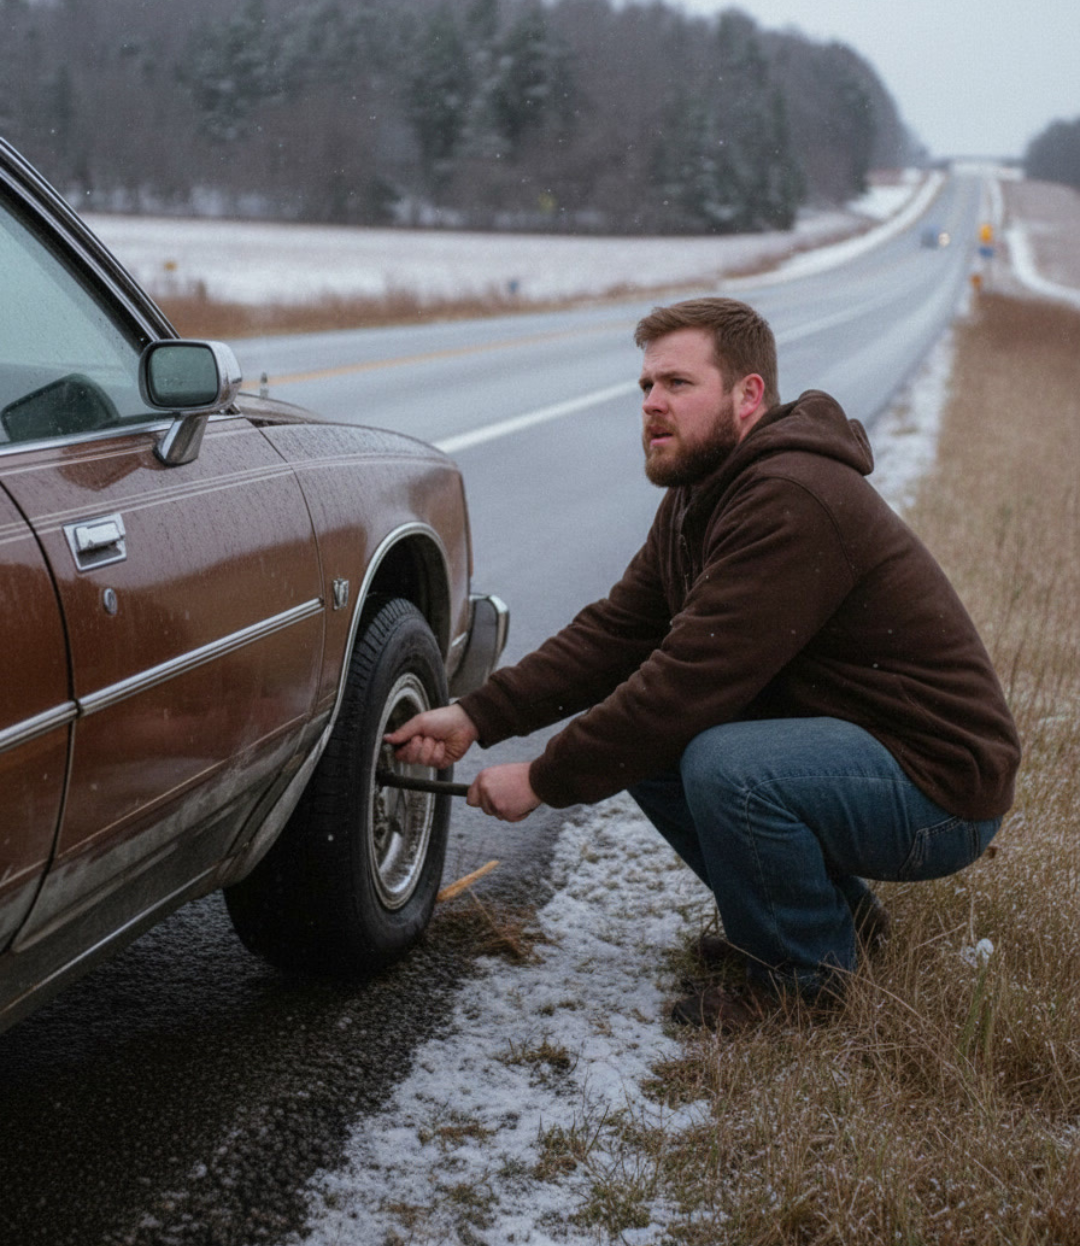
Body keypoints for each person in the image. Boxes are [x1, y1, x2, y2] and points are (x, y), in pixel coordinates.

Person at [388, 296, 1020, 1032]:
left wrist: (542, 779)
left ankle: (803, 986)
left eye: (677, 384)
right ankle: (836, 925)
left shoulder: (791, 497)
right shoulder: (704, 492)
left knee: (726, 766)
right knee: (651, 750)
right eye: (646, 386)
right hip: (862, 750)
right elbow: (618, 633)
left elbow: (689, 679)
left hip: (939, 786)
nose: (651, 403)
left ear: (748, 395)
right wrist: (477, 715)